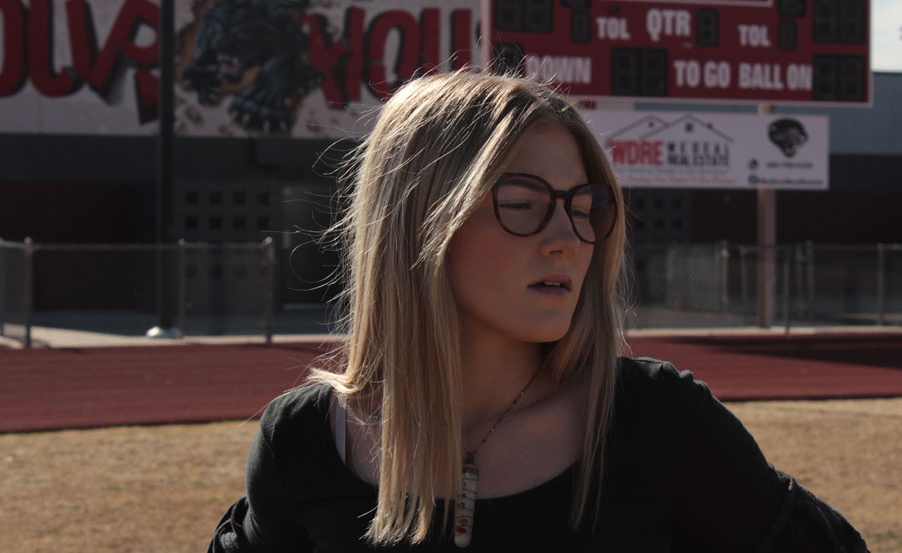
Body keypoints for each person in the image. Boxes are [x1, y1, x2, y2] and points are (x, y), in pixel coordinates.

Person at [209, 71, 868, 552]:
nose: (569, 237)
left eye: (586, 207)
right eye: (523, 202)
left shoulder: (657, 420)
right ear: (420, 220)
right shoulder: (304, 441)